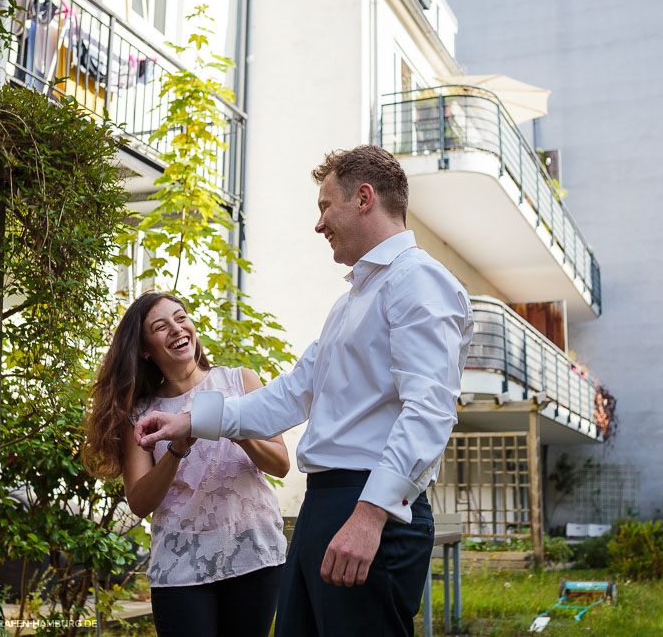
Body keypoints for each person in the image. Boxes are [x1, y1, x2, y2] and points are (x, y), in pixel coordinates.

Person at [135, 145, 474, 636]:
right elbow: (291, 394)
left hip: (367, 507)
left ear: (363, 198)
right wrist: (189, 422)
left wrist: (370, 515)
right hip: (324, 507)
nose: (319, 225)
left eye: (324, 206)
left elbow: (429, 412)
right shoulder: (350, 302)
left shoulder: (419, 281)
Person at [83, 291, 289, 637]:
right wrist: (177, 448)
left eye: (181, 318)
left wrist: (233, 427)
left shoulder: (240, 382)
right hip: (181, 566)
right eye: (161, 326)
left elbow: (281, 464)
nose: (177, 329)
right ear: (146, 349)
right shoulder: (141, 414)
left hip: (253, 554)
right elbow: (139, 501)